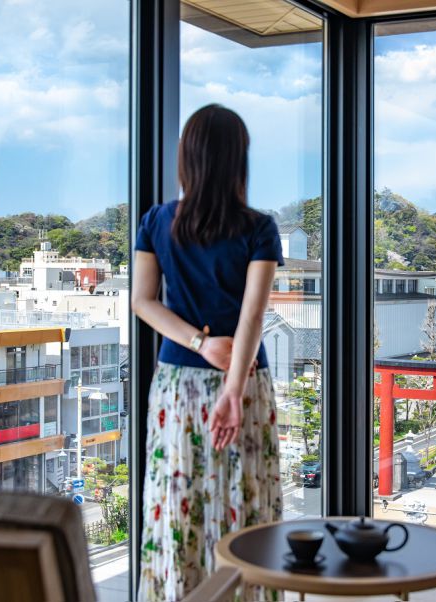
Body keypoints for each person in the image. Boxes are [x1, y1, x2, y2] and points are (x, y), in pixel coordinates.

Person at [132, 104, 284, 601]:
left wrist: (197, 342)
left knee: (178, 506)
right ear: (239, 160)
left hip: (178, 387)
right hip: (242, 382)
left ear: (187, 158)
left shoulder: (157, 221)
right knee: (245, 502)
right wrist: (234, 392)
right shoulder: (259, 227)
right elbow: (253, 318)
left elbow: (142, 303)